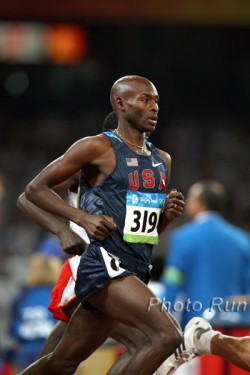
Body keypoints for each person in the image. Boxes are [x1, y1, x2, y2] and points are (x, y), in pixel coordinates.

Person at [17, 76, 250, 374]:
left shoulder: (161, 160)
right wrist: (73, 223)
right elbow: (32, 191)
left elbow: (144, 235)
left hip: (134, 266)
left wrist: (164, 217)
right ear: (120, 104)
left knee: (63, 361)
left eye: (156, 102)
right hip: (101, 263)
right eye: (145, 100)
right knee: (167, 336)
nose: (154, 108)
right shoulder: (97, 147)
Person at [161, 180, 250, 329]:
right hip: (234, 325)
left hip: (196, 324)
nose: (187, 203)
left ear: (201, 203)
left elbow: (172, 283)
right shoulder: (241, 239)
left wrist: (161, 322)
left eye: (190, 198)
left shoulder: (183, 238)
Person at [6, 243, 63, 373]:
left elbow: (12, 331)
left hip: (24, 353)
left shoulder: (23, 297)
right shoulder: (59, 295)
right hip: (51, 351)